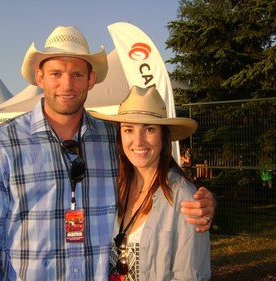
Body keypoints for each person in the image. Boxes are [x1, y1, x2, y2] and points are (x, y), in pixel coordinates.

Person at [0, 25, 214, 280]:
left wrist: (200, 201)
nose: (67, 84)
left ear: (91, 80)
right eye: (56, 73)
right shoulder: (3, 143)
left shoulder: (111, 138)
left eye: (78, 74)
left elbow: (155, 174)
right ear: (40, 77)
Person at [90, 86, 211, 280]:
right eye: (128, 130)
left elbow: (189, 275)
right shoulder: (113, 185)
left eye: (149, 129)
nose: (138, 142)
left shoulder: (183, 197)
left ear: (163, 136)